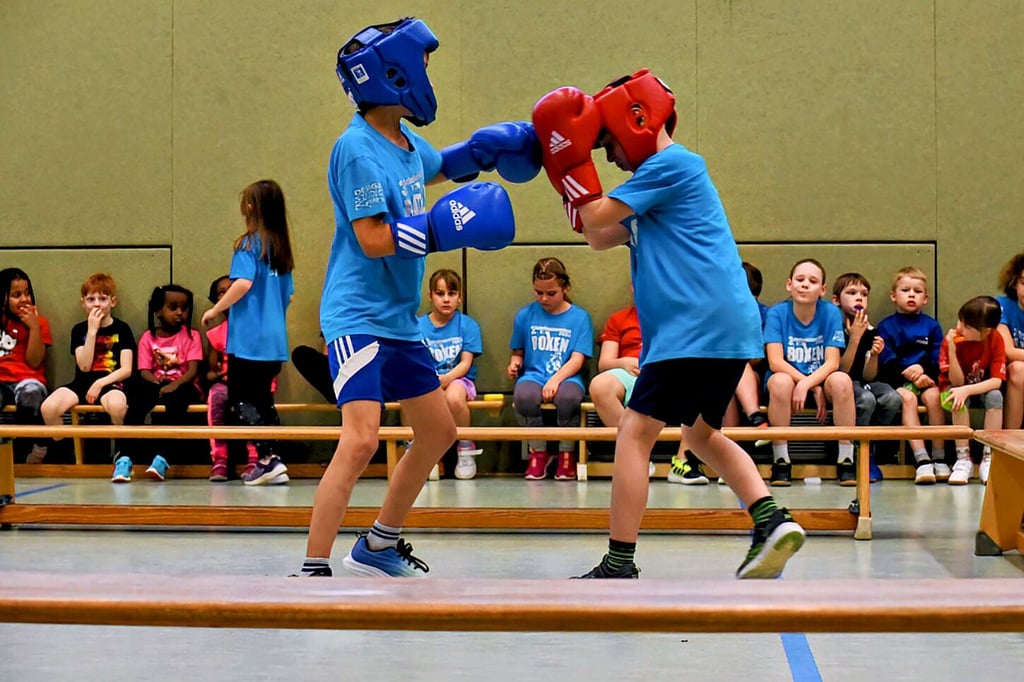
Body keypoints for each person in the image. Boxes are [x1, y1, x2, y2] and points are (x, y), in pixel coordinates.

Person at [533, 69, 804, 578]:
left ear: (637, 120)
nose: (608, 155)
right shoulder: (652, 187)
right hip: (722, 329)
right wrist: (563, 173)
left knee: (634, 433)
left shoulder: (675, 165)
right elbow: (597, 235)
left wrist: (562, 160)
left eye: (608, 142)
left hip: (695, 327)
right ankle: (770, 519)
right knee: (700, 435)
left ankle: (619, 561)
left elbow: (593, 217)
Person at [296, 17, 529, 578]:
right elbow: (373, 239)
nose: (427, 72)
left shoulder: (403, 143)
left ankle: (377, 543)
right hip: (356, 317)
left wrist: (484, 151)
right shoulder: (356, 150)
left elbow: (441, 166)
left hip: (398, 321)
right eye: (421, 63)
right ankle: (311, 567)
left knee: (439, 431)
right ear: (391, 73)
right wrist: (444, 229)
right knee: (359, 439)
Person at [200, 180, 294, 486]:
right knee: (263, 400)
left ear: (252, 207)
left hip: (249, 341)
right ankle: (273, 459)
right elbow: (288, 296)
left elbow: (242, 284)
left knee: (240, 399)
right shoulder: (281, 250)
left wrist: (216, 310)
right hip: (274, 340)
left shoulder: (248, 245)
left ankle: (266, 459)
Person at [763, 259, 856, 486]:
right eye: (800, 279)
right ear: (789, 284)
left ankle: (846, 460)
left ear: (822, 289)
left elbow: (833, 362)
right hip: (788, 379)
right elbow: (775, 361)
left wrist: (809, 384)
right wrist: (807, 384)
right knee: (780, 382)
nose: (805, 285)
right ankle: (781, 461)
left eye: (813, 281)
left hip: (821, 378)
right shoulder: (777, 313)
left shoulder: (831, 313)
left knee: (842, 380)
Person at [588, 299, 701, 483]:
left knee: (701, 381)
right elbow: (604, 363)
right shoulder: (619, 318)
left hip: (668, 374)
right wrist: (623, 362)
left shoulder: (679, 317)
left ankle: (683, 462)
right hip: (630, 374)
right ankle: (636, 456)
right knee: (600, 386)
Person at [507, 257, 593, 481]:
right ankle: (539, 452)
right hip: (534, 375)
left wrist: (555, 380)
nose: (544, 298)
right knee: (524, 396)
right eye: (538, 292)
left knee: (569, 398)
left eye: (551, 293)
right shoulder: (525, 315)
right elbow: (518, 351)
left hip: (567, 377)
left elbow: (577, 358)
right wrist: (514, 363)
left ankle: (566, 453)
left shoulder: (580, 318)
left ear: (565, 288)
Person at [40, 273, 134, 474]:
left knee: (118, 407)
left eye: (103, 298)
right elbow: (84, 366)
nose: (97, 304)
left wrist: (101, 383)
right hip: (81, 382)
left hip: (110, 383)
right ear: (83, 304)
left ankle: (120, 452)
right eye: (91, 299)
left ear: (113, 302)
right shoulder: (79, 330)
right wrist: (92, 332)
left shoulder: (122, 329)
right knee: (49, 408)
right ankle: (67, 448)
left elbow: (126, 369)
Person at [118, 284, 204, 481]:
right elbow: (144, 371)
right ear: (157, 311)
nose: (180, 313)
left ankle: (163, 458)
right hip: (156, 384)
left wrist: (175, 384)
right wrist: (157, 381)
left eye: (184, 308)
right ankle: (124, 457)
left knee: (177, 403)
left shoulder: (192, 335)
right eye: (173, 308)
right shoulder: (148, 338)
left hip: (183, 386)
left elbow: (192, 370)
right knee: (136, 402)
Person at [876, 267, 947, 485]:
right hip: (897, 380)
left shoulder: (932, 326)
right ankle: (921, 459)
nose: (911, 295)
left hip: (927, 379)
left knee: (934, 398)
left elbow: (938, 357)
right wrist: (910, 373)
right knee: (907, 399)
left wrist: (924, 373)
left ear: (925, 298)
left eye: (917, 291)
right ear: (893, 295)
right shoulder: (886, 326)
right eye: (905, 290)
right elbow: (886, 361)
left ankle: (939, 455)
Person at [831, 272, 901, 482]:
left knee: (892, 398)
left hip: (863, 381)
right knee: (866, 399)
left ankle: (871, 447)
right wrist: (854, 339)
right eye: (852, 293)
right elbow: (842, 370)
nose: (859, 298)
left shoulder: (872, 330)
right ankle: (855, 451)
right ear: (836, 300)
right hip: (841, 383)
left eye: (864, 294)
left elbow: (868, 375)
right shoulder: (834, 327)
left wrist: (874, 356)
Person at [418, 269, 484, 480]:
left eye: (451, 294)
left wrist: (447, 379)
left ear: (459, 296)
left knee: (454, 397)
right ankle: (419, 450)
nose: (446, 299)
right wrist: (432, 380)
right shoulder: (418, 326)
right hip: (427, 379)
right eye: (440, 293)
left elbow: (466, 362)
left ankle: (465, 447)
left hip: (459, 379)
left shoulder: (467, 325)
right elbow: (416, 362)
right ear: (430, 296)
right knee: (412, 396)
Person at [939, 296, 1006, 485]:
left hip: (981, 387)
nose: (960, 328)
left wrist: (968, 390)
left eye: (967, 326)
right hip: (953, 388)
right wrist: (951, 351)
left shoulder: (996, 339)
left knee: (995, 397)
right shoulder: (952, 340)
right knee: (956, 399)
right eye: (960, 320)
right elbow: (956, 381)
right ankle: (963, 459)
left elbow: (996, 382)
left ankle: (988, 454)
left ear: (985, 331)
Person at [0, 268, 52, 464]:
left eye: (27, 293)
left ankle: (25, 452)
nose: (24, 299)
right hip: (1, 381)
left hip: (27, 380)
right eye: (16, 295)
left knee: (31, 393)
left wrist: (34, 327)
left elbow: (35, 361)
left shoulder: (40, 323)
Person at [995, 252, 1024, 431]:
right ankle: (1009, 443)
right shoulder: (1002, 305)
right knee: (1018, 369)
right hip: (1005, 373)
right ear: (1014, 283)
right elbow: (1008, 351)